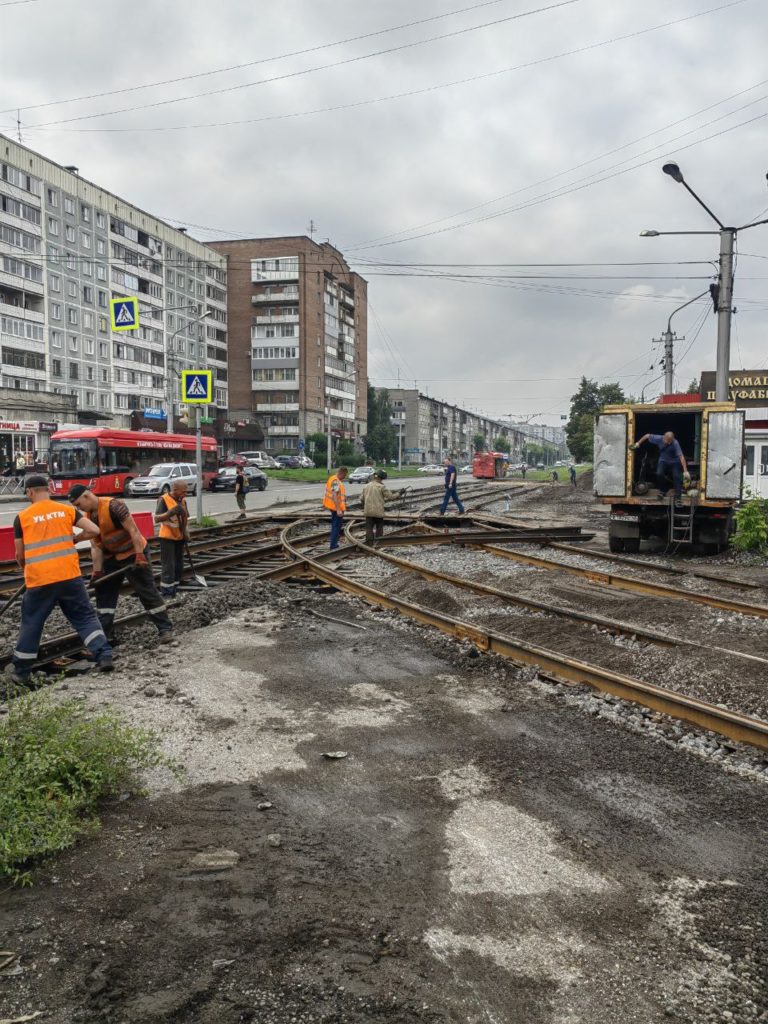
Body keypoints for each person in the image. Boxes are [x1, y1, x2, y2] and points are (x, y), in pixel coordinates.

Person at [7, 474, 113, 683]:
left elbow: (20, 555)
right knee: (85, 617)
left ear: (30, 492)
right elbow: (94, 530)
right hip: (69, 576)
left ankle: (21, 672)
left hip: (40, 580)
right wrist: (74, 539)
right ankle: (104, 656)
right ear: (48, 490)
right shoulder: (67, 510)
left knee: (32, 623)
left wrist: (27, 569)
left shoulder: (23, 517)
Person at [68, 485, 173, 645]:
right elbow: (96, 546)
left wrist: (139, 555)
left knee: (146, 590)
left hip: (133, 552)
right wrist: (97, 572)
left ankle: (165, 629)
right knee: (104, 592)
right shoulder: (88, 517)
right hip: (112, 556)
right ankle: (106, 636)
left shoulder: (114, 506)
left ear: (87, 496)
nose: (78, 508)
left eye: (78, 504)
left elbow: (134, 531)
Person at [154, 479, 190, 596]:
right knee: (168, 565)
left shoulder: (183, 500)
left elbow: (185, 517)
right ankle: (167, 591)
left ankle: (175, 587)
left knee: (179, 564)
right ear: (175, 490)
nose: (185, 494)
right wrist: (171, 512)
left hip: (179, 536)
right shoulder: (164, 499)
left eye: (186, 492)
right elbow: (157, 518)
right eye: (183, 492)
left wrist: (186, 532)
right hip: (167, 537)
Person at [632, 431, 690, 502]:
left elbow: (681, 457)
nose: (669, 443)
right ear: (664, 438)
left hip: (675, 462)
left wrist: (685, 471)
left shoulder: (675, 443)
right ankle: (663, 491)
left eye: (670, 441)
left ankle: (678, 497)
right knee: (659, 474)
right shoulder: (658, 438)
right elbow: (647, 436)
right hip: (663, 460)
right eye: (667, 441)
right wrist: (638, 443)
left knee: (676, 476)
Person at [360, 470, 404, 545]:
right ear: (382, 478)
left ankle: (369, 543)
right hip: (378, 511)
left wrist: (366, 505)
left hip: (368, 511)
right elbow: (391, 497)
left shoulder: (367, 486)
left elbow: (361, 498)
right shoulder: (382, 487)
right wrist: (399, 493)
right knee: (379, 527)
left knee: (369, 528)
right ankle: (378, 543)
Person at [323, 466, 348, 549]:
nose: (344, 477)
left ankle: (334, 544)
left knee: (336, 525)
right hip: (335, 508)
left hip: (334, 507)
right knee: (336, 526)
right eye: (344, 475)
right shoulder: (335, 481)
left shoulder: (333, 479)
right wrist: (338, 509)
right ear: (342, 473)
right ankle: (333, 545)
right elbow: (334, 495)